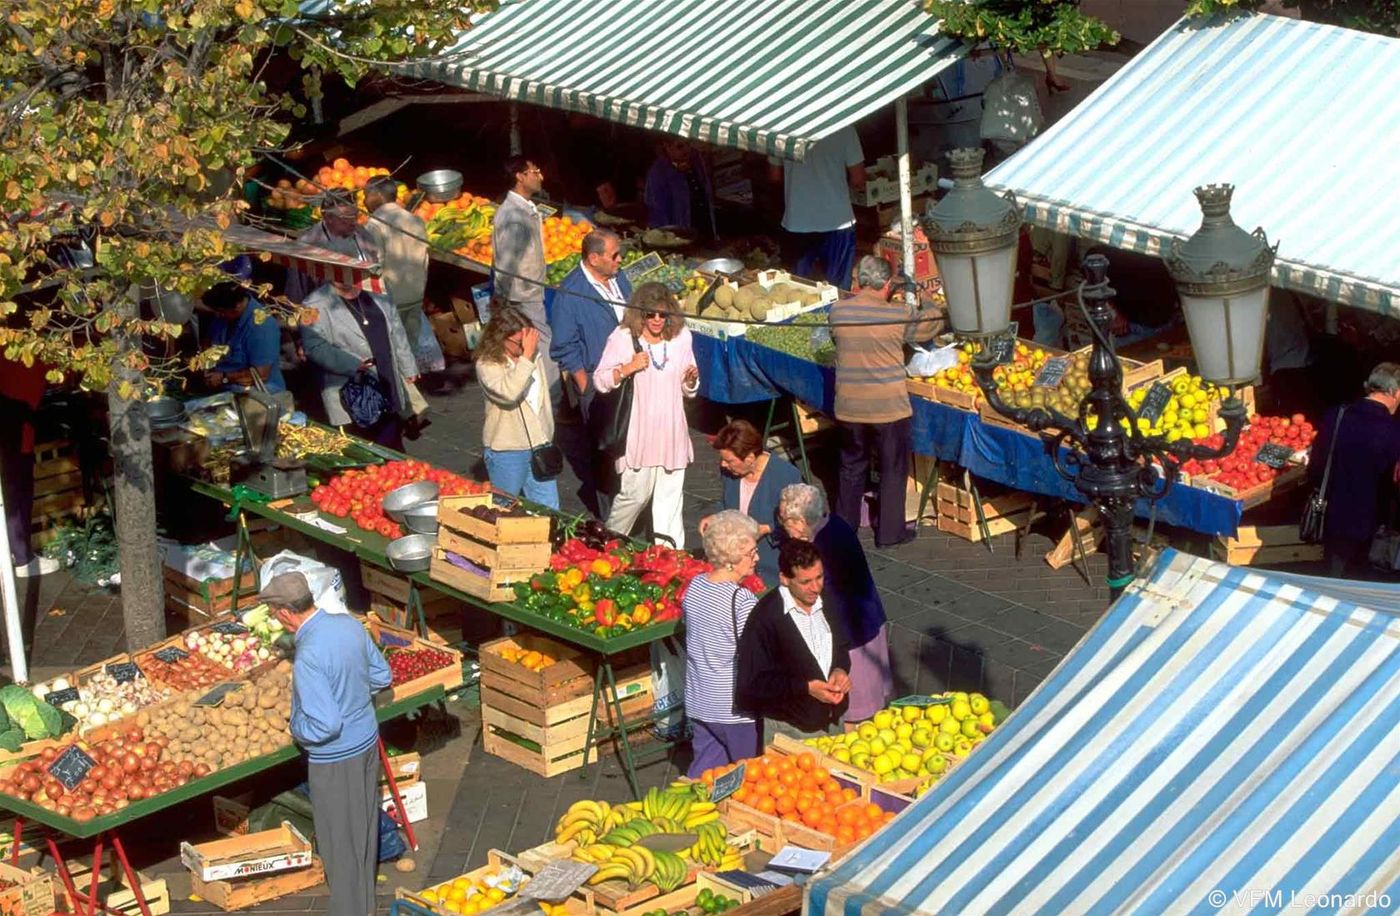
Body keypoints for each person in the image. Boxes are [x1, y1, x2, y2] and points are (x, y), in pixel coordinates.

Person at [263, 571, 392, 916]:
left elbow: (324, 724)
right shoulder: (349, 625)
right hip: (366, 744)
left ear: (284, 613)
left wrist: (296, 727)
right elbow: (381, 675)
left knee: (338, 844)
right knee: (362, 832)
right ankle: (364, 907)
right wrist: (354, 698)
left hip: (334, 759)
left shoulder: (308, 658)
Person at [830, 255, 943, 548]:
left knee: (851, 466)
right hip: (888, 408)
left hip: (849, 406)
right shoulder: (898, 315)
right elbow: (931, 326)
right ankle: (890, 533)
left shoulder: (838, 311)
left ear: (860, 281)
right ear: (887, 284)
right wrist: (928, 301)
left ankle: (844, 529)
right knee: (893, 468)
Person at [594, 283, 700, 549]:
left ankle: (671, 561)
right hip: (639, 433)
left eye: (662, 315)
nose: (656, 320)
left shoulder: (681, 337)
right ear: (639, 313)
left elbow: (689, 389)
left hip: (672, 431)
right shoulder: (623, 337)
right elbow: (600, 380)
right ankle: (607, 543)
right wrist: (627, 368)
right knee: (634, 496)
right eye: (649, 314)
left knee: (670, 503)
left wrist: (690, 380)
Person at [777, 484, 891, 723]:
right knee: (875, 697)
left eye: (785, 521)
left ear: (798, 522)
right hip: (867, 617)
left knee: (857, 710)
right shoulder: (834, 523)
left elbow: (824, 595)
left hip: (851, 631)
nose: (784, 529)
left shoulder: (820, 547)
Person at [550, 229, 633, 516]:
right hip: (598, 384)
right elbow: (563, 346)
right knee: (605, 451)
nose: (620, 260)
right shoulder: (571, 293)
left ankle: (633, 505)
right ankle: (611, 518)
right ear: (594, 258)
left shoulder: (619, 278)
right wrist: (586, 386)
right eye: (614, 255)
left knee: (631, 446)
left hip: (630, 376)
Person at [737, 539, 851, 741]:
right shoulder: (765, 618)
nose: (815, 588)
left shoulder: (827, 599)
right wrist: (806, 688)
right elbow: (753, 684)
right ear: (784, 578)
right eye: (805, 582)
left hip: (834, 722)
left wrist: (840, 669)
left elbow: (840, 646)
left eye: (819, 577)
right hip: (790, 730)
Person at [681, 511, 762, 777]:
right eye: (751, 553)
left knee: (704, 774)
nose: (757, 558)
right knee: (749, 778)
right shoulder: (741, 601)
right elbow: (758, 653)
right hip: (733, 708)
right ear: (732, 558)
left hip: (700, 700)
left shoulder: (695, 586)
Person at [300, 280, 418, 450]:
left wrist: (407, 365)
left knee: (392, 442)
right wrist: (353, 364)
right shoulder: (313, 304)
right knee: (365, 445)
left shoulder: (378, 289)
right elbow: (314, 346)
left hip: (386, 379)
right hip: (353, 391)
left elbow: (396, 330)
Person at [1307, 362, 1400, 577]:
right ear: (1394, 392)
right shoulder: (1393, 431)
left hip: (1333, 516)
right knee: (1362, 585)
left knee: (1332, 578)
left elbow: (1316, 467)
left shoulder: (1335, 416)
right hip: (1373, 526)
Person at [475, 307, 560, 510]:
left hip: (539, 444)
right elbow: (509, 393)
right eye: (519, 342)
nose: (525, 346)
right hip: (508, 450)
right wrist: (527, 356)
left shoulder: (533, 355)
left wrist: (547, 434)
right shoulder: (487, 364)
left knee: (549, 510)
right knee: (503, 508)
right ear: (500, 338)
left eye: (528, 340)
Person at [698, 420, 802, 585]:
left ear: (750, 458)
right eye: (723, 460)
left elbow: (799, 524)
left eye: (730, 461)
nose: (724, 465)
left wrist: (766, 528)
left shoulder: (786, 476)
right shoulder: (729, 471)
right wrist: (716, 517)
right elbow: (727, 504)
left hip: (771, 566)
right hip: (735, 563)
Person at [767, 126, 865, 287]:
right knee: (838, 290)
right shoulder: (845, 128)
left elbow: (774, 176)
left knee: (799, 289)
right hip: (837, 221)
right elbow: (858, 179)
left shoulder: (780, 128)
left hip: (797, 220)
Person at [492, 156, 556, 395]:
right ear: (519, 176)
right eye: (535, 171)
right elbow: (506, 263)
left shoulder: (525, 209)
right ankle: (553, 396)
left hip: (528, 291)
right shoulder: (513, 216)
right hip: (522, 294)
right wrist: (505, 297)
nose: (540, 176)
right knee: (542, 341)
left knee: (536, 341)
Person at [1, 355, 57, 580]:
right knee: (17, 491)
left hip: (13, 427)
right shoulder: (28, 351)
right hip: (14, 433)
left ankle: (14, 553)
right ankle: (22, 556)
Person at [363, 176, 429, 346]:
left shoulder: (375, 224)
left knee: (392, 349)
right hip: (415, 294)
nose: (364, 200)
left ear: (377, 195)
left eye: (366, 195)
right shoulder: (415, 220)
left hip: (390, 300)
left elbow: (374, 265)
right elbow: (425, 260)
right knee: (410, 346)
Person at [286, 190, 379, 304]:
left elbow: (375, 273)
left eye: (355, 216)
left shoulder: (362, 234)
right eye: (346, 218)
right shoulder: (306, 248)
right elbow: (295, 296)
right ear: (327, 217)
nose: (353, 222)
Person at [200, 281, 286, 395]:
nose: (219, 315)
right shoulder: (224, 312)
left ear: (237, 306)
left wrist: (224, 377)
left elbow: (261, 375)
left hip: (258, 391)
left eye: (221, 312)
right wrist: (207, 366)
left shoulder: (262, 326)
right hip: (224, 385)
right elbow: (209, 340)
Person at [644, 138, 716, 241]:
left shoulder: (696, 159)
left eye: (688, 144)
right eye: (680, 146)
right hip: (680, 235)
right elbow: (657, 212)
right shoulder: (658, 173)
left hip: (705, 228)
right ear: (667, 147)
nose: (686, 150)